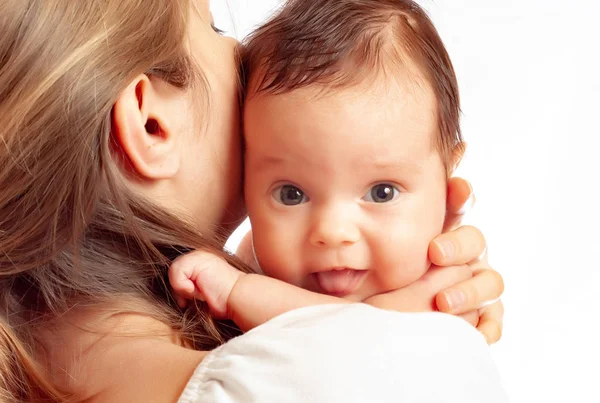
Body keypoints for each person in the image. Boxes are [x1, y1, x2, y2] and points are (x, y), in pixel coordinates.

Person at [0, 0, 504, 401]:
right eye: (216, 29)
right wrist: (421, 341)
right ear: (151, 124)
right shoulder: (371, 370)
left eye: (382, 192)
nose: (241, 51)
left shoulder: (28, 363)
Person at [170, 0, 497, 332]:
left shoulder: (440, 295)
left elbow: (345, 329)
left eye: (382, 193)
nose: (333, 232)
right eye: (291, 194)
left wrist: (237, 292)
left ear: (447, 180)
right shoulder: (255, 263)